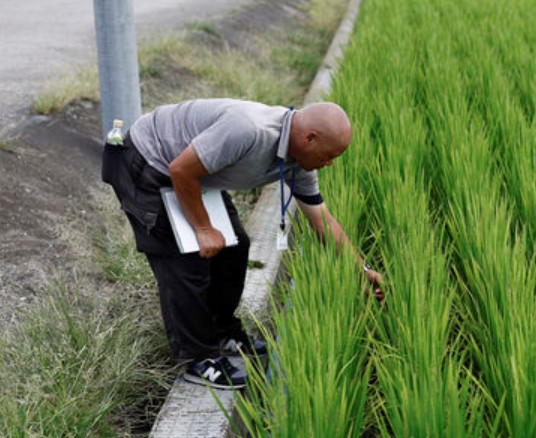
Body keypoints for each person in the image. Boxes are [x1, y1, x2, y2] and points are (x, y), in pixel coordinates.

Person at [101, 98, 384, 390]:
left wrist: (359, 269)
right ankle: (199, 358)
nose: (330, 163)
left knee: (234, 247)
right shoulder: (249, 130)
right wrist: (203, 228)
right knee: (187, 260)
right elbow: (181, 170)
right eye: (329, 155)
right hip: (150, 162)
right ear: (309, 138)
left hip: (194, 175)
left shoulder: (299, 163)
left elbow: (322, 219)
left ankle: (222, 330)